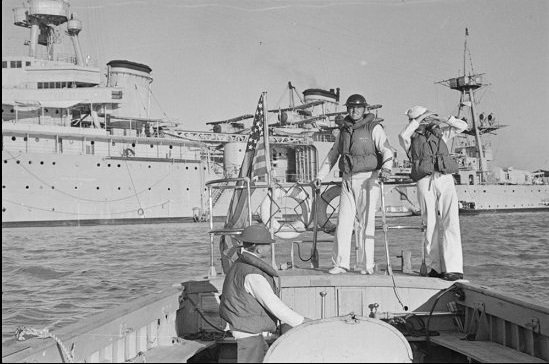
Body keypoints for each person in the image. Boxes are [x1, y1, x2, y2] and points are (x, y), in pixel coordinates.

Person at [314, 94, 393, 275]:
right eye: (350, 107)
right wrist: (320, 175)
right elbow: (333, 155)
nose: (354, 110)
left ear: (365, 109)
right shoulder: (344, 130)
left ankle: (366, 265)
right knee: (343, 222)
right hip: (347, 179)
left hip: (367, 179)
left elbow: (386, 149)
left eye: (358, 107)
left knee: (366, 223)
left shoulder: (374, 128)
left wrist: (387, 169)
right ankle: (340, 264)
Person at [219, 224, 310, 363]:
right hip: (248, 334)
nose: (270, 247)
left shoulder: (240, 265)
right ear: (258, 248)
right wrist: (303, 322)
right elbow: (274, 305)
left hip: (246, 329)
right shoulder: (252, 275)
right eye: (268, 244)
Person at [398, 106, 467, 281]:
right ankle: (435, 266)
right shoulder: (409, 138)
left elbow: (462, 127)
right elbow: (403, 135)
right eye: (423, 118)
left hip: (444, 177)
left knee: (451, 220)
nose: (427, 121)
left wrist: (443, 118)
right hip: (424, 179)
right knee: (429, 223)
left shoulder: (441, 133)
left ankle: (454, 268)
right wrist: (420, 120)